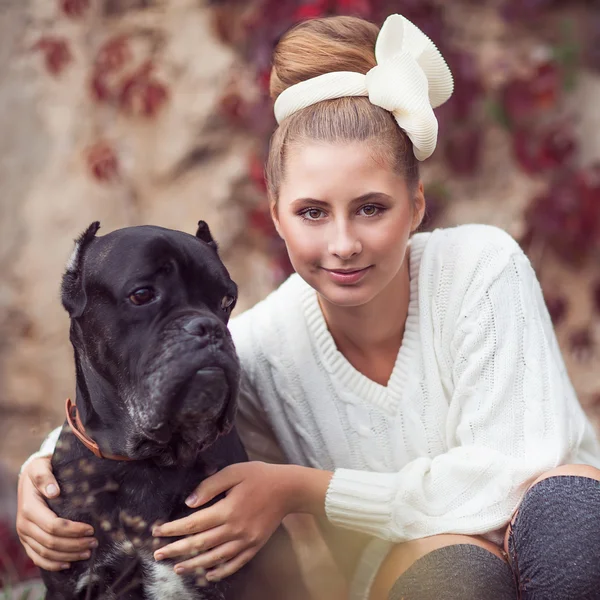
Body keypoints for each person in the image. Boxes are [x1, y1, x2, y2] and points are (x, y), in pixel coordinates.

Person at [16, 13, 600, 600]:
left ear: (417, 205)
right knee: (457, 579)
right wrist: (37, 476)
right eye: (313, 212)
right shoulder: (268, 347)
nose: (343, 243)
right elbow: (141, 390)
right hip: (424, 562)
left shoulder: (480, 266)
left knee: (570, 519)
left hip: (546, 526)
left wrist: (303, 490)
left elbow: (514, 473)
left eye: (372, 208)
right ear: (276, 216)